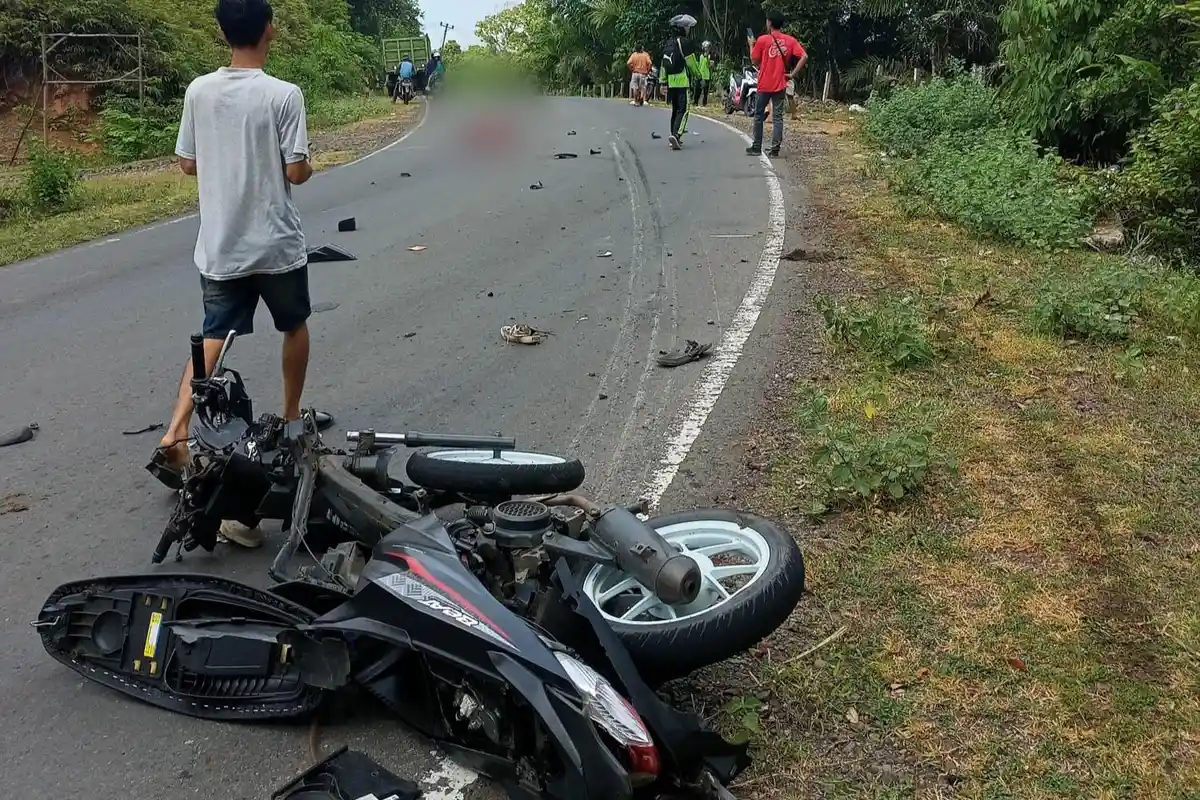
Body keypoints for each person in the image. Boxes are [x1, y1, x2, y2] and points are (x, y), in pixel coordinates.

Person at [155, 0, 314, 547]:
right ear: (269, 29)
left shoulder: (199, 90)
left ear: (223, 31)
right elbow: (297, 170)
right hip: (275, 244)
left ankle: (176, 432)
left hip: (220, 245)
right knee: (293, 326)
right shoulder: (283, 94)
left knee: (214, 335)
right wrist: (300, 163)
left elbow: (187, 163)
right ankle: (291, 419)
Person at [747, 10, 808, 157]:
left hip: (764, 84)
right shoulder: (790, 40)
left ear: (769, 23)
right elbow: (804, 56)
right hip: (780, 83)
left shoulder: (762, 40)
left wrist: (751, 45)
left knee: (758, 115)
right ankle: (775, 150)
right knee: (778, 117)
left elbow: (754, 61)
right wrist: (792, 74)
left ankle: (756, 147)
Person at [661, 14, 701, 150]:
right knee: (683, 110)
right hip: (683, 81)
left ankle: (672, 133)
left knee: (675, 109)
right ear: (683, 28)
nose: (688, 29)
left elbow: (663, 64)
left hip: (671, 81)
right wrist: (699, 76)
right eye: (687, 27)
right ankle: (677, 135)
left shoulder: (669, 43)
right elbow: (691, 63)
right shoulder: (685, 43)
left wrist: (663, 81)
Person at [694, 41, 712, 107]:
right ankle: (695, 102)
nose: (706, 49)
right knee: (697, 90)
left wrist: (707, 58)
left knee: (705, 92)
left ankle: (704, 104)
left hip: (706, 76)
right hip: (699, 75)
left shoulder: (710, 56)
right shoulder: (700, 55)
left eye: (707, 48)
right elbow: (697, 64)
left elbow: (710, 66)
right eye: (705, 48)